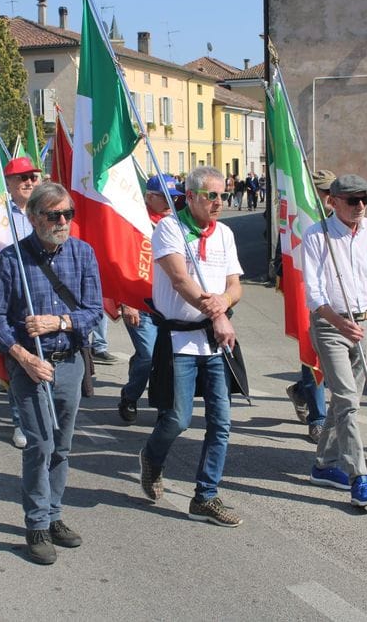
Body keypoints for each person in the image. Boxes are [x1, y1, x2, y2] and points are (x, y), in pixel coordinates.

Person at [0, 182, 102, 565]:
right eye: (54, 215)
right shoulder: (11, 260)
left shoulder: (83, 254)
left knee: (63, 447)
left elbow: (93, 312)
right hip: (30, 366)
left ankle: (54, 516)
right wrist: (23, 356)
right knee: (40, 445)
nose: (63, 221)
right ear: (33, 217)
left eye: (68, 214)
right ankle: (35, 524)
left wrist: (60, 321)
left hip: (69, 362)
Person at [139, 165, 244, 528]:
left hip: (215, 340)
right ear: (193, 196)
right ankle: (152, 457)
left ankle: (206, 495)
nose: (218, 202)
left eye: (223, 195)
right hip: (180, 339)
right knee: (178, 418)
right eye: (211, 196)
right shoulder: (170, 228)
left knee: (222, 422)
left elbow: (235, 285)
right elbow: (180, 280)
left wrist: (222, 306)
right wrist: (216, 311)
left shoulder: (225, 233)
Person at [301, 174, 367, 508]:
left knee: (346, 403)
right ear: (333, 201)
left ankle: (324, 465)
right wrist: (339, 323)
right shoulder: (317, 235)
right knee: (347, 401)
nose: (360, 206)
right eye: (352, 200)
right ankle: (360, 477)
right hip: (332, 325)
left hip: (366, 323)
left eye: (365, 200)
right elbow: (312, 293)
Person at [117, 173, 182, 423]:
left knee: (167, 357)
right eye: (164, 197)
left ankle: (164, 406)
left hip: (167, 303)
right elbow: (123, 262)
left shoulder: (176, 224)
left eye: (173, 197)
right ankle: (130, 396)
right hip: (139, 302)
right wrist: (127, 302)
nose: (169, 202)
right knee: (149, 354)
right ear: (149, 196)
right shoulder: (134, 223)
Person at [284, 169, 336, 443]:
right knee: (313, 357)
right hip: (310, 298)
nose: (330, 197)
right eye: (325, 192)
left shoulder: (342, 220)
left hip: (339, 301)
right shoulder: (303, 220)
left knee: (335, 365)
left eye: (332, 191)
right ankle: (317, 419)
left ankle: (300, 392)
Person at [2, 155, 43, 449]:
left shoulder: (49, 209)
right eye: (22, 178)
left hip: (46, 294)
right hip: (14, 295)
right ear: (10, 183)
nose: (29, 182)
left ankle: (43, 415)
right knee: (18, 362)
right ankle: (20, 421)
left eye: (33, 177)